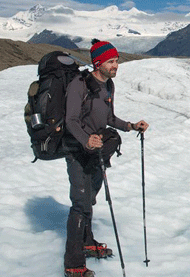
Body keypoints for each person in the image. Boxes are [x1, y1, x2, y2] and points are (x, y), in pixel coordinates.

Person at [63, 39, 149, 277]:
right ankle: (73, 264)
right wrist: (85, 140)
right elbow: (70, 121)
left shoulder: (108, 86)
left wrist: (131, 126)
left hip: (97, 148)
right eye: (111, 61)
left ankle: (87, 242)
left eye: (117, 61)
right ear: (98, 62)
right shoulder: (79, 85)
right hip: (77, 150)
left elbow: (109, 119)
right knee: (80, 204)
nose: (116, 65)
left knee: (89, 198)